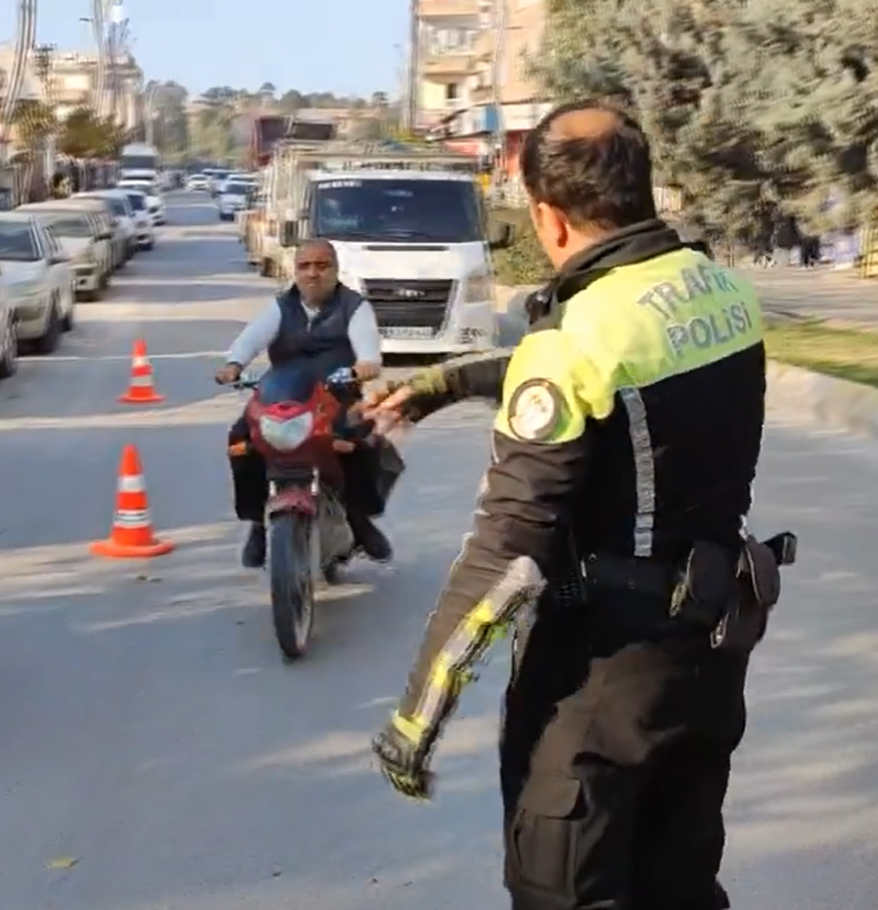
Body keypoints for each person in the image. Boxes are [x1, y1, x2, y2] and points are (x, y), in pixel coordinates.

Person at [365, 100, 782, 910]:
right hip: (708, 658)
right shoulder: (721, 292)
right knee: (681, 887)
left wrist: (418, 715)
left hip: (599, 684)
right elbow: (598, 370)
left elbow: (506, 556)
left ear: (547, 217)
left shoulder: (578, 341)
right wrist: (443, 383)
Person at [215, 238, 393, 569]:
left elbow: (367, 346)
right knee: (242, 441)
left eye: (321, 265)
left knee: (360, 444)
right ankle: (257, 524)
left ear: (336, 270)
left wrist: (366, 363)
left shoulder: (354, 307)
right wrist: (234, 364)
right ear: (295, 271)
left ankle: (358, 519)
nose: (313, 274)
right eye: (305, 266)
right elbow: (252, 337)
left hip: (335, 396)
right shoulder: (282, 306)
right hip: (281, 396)